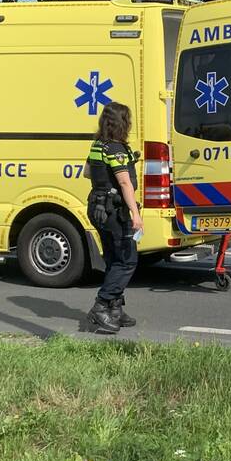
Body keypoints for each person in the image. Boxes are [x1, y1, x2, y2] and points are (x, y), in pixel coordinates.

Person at [83, 102, 142, 334]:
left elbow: (87, 172)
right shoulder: (117, 149)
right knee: (127, 260)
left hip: (97, 207)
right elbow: (125, 183)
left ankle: (115, 310)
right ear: (123, 123)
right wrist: (136, 214)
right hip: (114, 211)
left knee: (113, 258)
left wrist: (103, 182)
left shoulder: (98, 145)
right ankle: (101, 306)